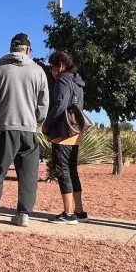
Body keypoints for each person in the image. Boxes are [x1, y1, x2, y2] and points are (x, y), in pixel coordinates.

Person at [0, 33, 49, 228]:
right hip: (29, 130)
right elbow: (43, 104)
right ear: (28, 50)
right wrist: (35, 122)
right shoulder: (38, 71)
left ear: (11, 48)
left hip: (5, 126)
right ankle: (23, 214)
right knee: (28, 174)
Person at [42, 49, 89, 223]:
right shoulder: (78, 82)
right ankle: (79, 211)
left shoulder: (63, 80)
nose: (52, 72)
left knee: (62, 170)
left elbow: (60, 104)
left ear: (60, 65)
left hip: (63, 131)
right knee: (72, 170)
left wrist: (46, 124)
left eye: (53, 68)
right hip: (76, 130)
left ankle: (68, 213)